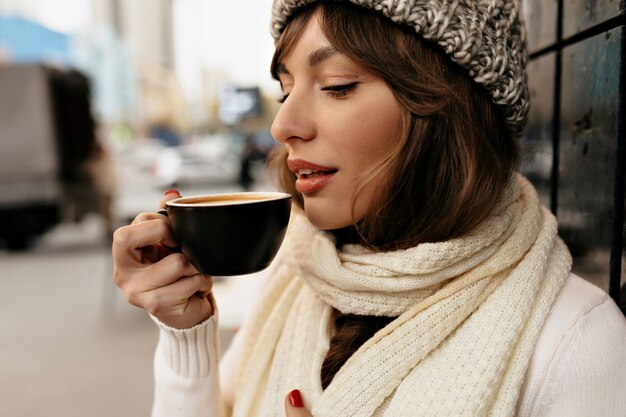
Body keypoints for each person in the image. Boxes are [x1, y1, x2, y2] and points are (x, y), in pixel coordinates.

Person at [112, 1, 626, 416]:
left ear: (445, 108)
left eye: (337, 85)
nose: (282, 124)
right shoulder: (303, 273)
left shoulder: (576, 340)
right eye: (285, 88)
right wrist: (186, 334)